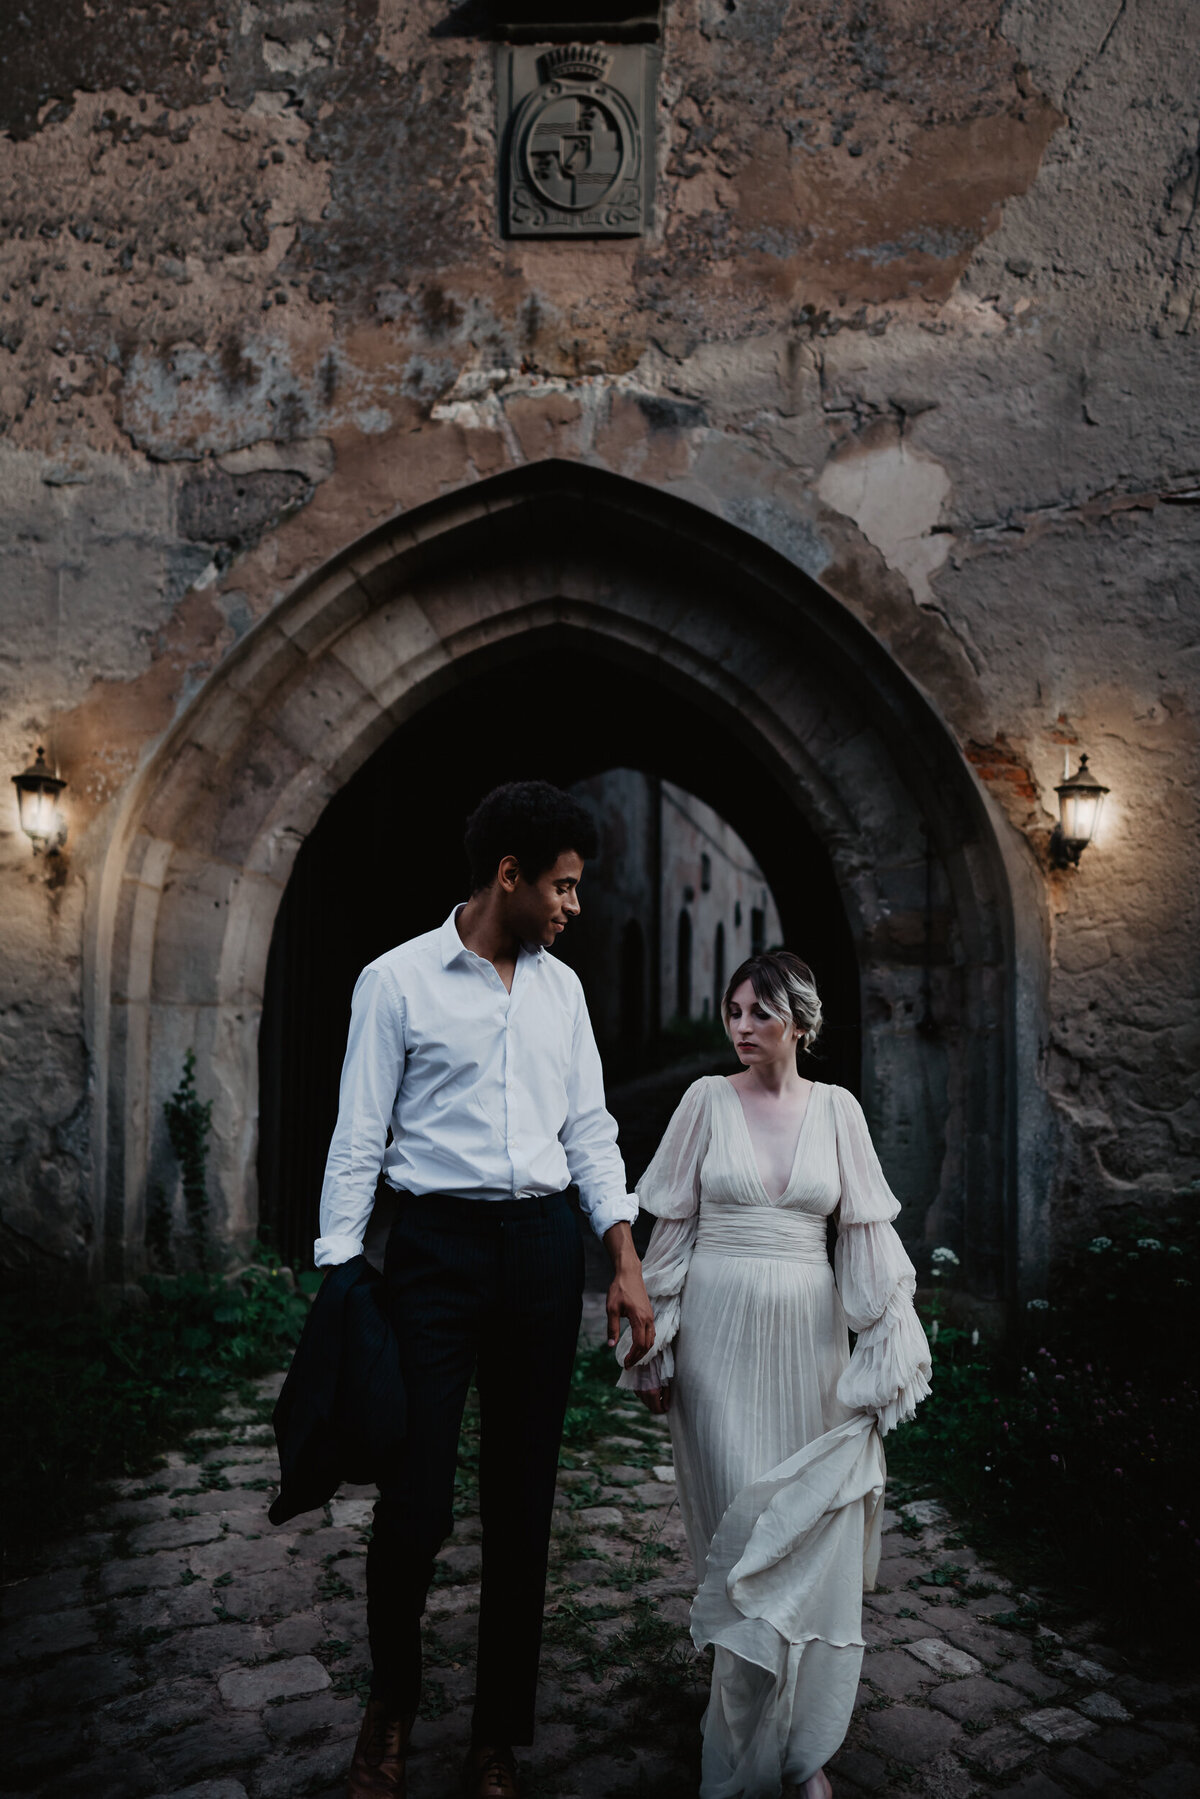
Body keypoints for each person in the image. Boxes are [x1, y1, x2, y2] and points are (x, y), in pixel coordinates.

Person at [315, 780, 655, 1799]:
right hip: (434, 1252)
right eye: (561, 885)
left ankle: (497, 1734)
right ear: (507, 875)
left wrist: (624, 1258)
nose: (573, 906)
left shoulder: (562, 991)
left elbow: (590, 1130)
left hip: (544, 1253)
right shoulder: (397, 981)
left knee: (522, 1501)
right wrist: (339, 1273)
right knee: (413, 1502)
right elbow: (358, 1132)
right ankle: (393, 1701)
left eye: (577, 888)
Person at [617, 951, 932, 1799]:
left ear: (799, 1020)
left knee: (805, 1536)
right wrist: (654, 1346)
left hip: (811, 1348)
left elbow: (865, 1237)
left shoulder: (839, 1112)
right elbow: (670, 1235)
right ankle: (748, 1741)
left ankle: (801, 1749)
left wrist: (883, 1352)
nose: (743, 1027)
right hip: (719, 1347)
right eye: (733, 1012)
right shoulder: (702, 1102)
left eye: (759, 1013)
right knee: (742, 1531)